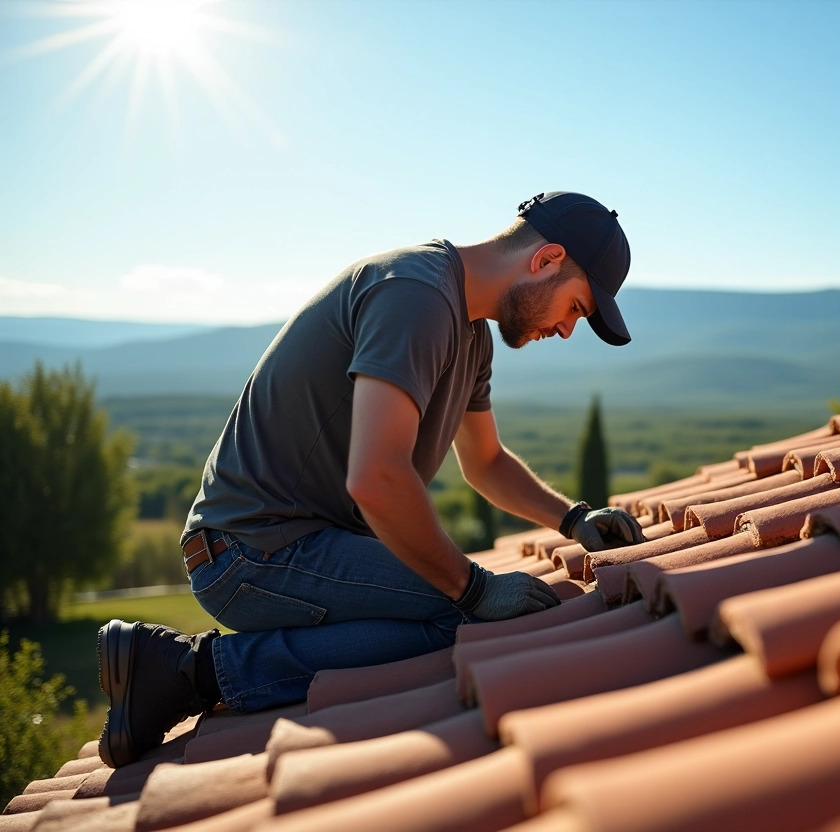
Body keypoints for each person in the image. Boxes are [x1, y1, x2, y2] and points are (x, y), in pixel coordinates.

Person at [96, 191, 647, 768]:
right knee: (460, 611)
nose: (566, 331)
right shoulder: (415, 294)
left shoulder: (471, 335)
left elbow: (485, 463)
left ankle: (183, 667)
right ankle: (187, 672)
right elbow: (377, 479)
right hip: (249, 553)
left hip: (297, 547)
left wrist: (573, 517)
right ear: (546, 259)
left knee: (458, 600)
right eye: (577, 309)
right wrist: (476, 588)